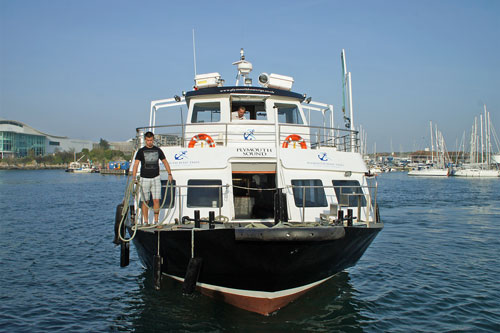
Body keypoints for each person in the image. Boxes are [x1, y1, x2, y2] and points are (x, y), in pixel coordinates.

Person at [132, 131, 173, 225]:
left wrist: (169, 174)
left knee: (156, 199)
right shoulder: (141, 151)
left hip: (156, 178)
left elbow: (165, 162)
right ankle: (146, 221)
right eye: (147, 140)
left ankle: (156, 220)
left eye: (151, 140)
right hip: (144, 178)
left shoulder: (158, 150)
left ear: (153, 140)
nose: (149, 142)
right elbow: (136, 164)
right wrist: (134, 177)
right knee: (145, 201)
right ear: (145, 140)